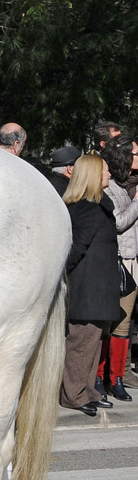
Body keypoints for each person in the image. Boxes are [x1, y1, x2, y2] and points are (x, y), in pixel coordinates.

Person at [60, 154, 120, 417]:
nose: (110, 175)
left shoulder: (96, 206)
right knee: (81, 343)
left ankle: (87, 390)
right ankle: (73, 394)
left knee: (92, 342)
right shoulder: (85, 208)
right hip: (86, 290)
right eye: (105, 171)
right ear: (93, 175)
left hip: (98, 289)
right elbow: (73, 252)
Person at [97, 136, 138, 403]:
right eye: (135, 153)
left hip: (134, 260)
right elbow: (119, 222)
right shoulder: (108, 186)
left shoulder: (132, 185)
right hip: (118, 261)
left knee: (123, 326)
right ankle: (99, 377)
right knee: (105, 324)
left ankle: (118, 378)